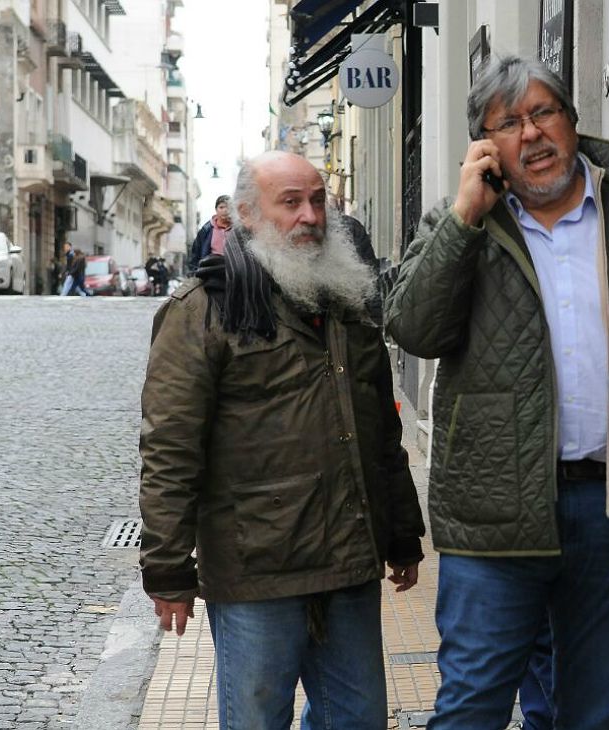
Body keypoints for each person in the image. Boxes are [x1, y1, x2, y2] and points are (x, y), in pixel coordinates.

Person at [384, 56, 609, 730]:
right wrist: (464, 217)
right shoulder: (461, 224)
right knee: (471, 707)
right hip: (494, 512)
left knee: (594, 712)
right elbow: (413, 328)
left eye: (545, 113)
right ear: (486, 145)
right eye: (509, 123)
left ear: (573, 122)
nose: (533, 135)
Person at [139, 150, 426, 730]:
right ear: (247, 215)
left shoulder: (347, 303)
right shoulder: (202, 310)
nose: (310, 216)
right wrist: (167, 570)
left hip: (348, 564)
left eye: (318, 200)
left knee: (360, 721)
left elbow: (381, 431)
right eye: (290, 202)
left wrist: (402, 532)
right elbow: (170, 450)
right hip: (255, 572)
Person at [187, 194, 232, 273]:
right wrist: (195, 271)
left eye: (228, 207)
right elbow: (196, 252)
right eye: (221, 207)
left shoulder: (238, 230)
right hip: (211, 270)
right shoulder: (206, 230)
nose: (225, 210)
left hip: (233, 270)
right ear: (216, 209)